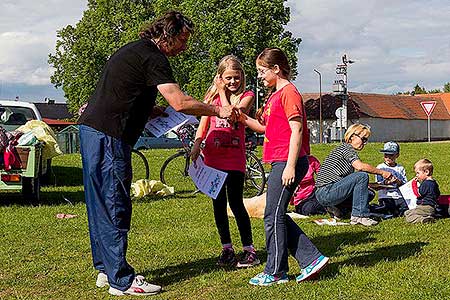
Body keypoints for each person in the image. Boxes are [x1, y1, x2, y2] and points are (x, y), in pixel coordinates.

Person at [78, 11, 239, 297]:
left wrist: (149, 111)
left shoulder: (134, 51)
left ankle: (105, 268)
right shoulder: (154, 57)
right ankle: (122, 280)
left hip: (93, 131)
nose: (184, 47)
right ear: (168, 35)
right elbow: (179, 101)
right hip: (109, 135)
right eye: (183, 40)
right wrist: (217, 109)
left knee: (100, 201)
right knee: (115, 201)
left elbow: (125, 93)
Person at [241, 48, 328, 286]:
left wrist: (290, 166)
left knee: (272, 215)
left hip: (289, 161)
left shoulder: (289, 93)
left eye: (261, 70)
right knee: (274, 213)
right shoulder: (275, 94)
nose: (259, 75)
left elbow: (297, 129)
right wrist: (240, 118)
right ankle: (311, 258)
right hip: (280, 160)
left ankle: (276, 271)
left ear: (276, 69)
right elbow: (265, 128)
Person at [190, 55, 260, 268]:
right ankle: (227, 248)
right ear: (220, 76)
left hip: (234, 159)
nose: (232, 82)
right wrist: (196, 145)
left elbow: (231, 115)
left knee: (236, 203)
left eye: (236, 78)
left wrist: (221, 91)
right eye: (228, 78)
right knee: (218, 205)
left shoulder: (246, 96)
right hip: (213, 159)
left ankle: (249, 250)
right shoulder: (211, 98)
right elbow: (203, 124)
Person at [315, 124, 396, 226]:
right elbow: (360, 167)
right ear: (352, 136)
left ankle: (340, 210)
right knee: (362, 175)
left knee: (369, 193)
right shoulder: (346, 148)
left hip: (326, 192)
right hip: (326, 192)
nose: (365, 143)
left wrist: (373, 185)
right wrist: (383, 172)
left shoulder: (343, 149)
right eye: (363, 139)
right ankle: (359, 216)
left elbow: (347, 182)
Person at [373, 141, 408, 217]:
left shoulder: (400, 168)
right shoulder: (380, 167)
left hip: (398, 196)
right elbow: (378, 185)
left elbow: (405, 185)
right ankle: (375, 209)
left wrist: (397, 181)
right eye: (386, 155)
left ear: (397, 155)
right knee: (389, 210)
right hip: (386, 196)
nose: (388, 158)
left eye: (391, 155)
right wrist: (386, 182)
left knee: (406, 208)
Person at [404, 159, 440, 223]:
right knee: (407, 212)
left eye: (418, 173)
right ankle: (428, 217)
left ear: (426, 172)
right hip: (432, 208)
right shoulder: (434, 183)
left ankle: (422, 219)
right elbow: (438, 194)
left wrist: (414, 184)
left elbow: (418, 193)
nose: (416, 175)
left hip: (424, 207)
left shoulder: (425, 183)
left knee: (409, 217)